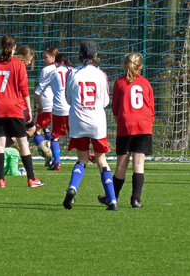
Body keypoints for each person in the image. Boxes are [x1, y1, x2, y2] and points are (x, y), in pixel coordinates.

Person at [0, 34, 44, 188]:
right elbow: (24, 89)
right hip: (15, 108)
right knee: (23, 143)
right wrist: (27, 109)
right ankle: (31, 179)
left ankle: (1, 180)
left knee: (0, 144)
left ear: (2, 47)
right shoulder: (18, 65)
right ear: (15, 47)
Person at [62, 41, 118, 211]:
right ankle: (112, 200)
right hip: (97, 121)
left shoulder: (72, 73)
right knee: (101, 160)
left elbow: (68, 100)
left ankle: (72, 188)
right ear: (95, 56)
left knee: (82, 159)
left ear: (79, 55)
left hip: (78, 120)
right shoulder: (101, 75)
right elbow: (106, 101)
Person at [98, 53, 154, 208]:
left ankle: (112, 197)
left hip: (126, 126)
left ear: (124, 65)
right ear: (141, 67)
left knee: (121, 165)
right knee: (139, 164)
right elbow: (151, 108)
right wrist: (148, 124)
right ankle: (136, 199)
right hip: (144, 126)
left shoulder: (120, 83)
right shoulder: (146, 83)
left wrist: (121, 124)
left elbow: (115, 109)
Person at [34, 53, 73, 171]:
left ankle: (56, 162)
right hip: (72, 109)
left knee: (54, 137)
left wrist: (39, 106)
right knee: (76, 135)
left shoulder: (53, 72)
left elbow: (37, 92)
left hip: (58, 109)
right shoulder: (73, 71)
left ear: (56, 62)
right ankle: (90, 154)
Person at [33, 47, 58, 167]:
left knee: (35, 131)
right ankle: (55, 158)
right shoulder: (60, 69)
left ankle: (48, 153)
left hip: (45, 103)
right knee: (49, 130)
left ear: (53, 57)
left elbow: (41, 89)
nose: (43, 60)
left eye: (46, 57)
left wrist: (39, 105)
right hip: (56, 104)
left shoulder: (46, 70)